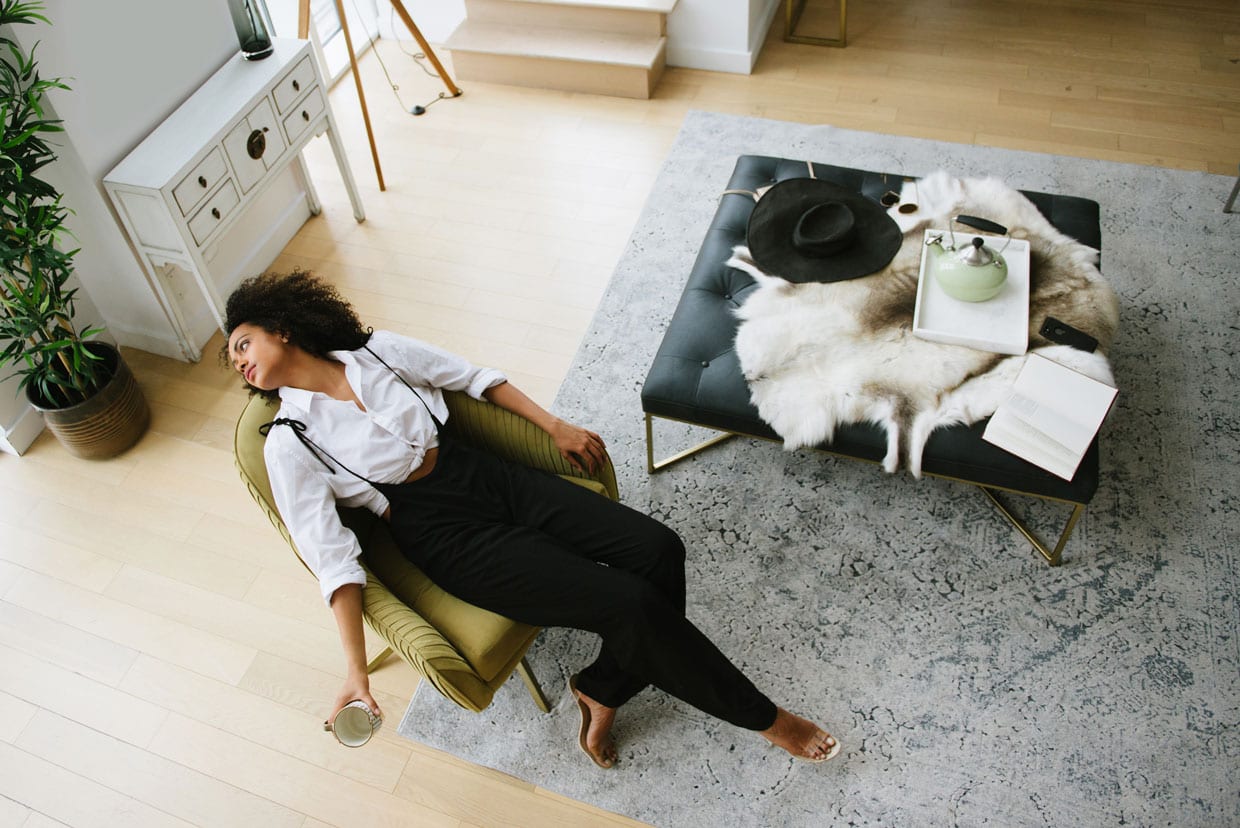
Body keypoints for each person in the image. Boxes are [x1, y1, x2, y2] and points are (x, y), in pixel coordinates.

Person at [223, 270, 839, 768]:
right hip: (446, 536)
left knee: (660, 549)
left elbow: (472, 378)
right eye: (233, 362)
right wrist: (355, 672)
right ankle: (766, 719)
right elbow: (330, 558)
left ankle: (604, 686)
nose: (240, 363)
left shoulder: (374, 351)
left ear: (281, 326)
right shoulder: (288, 442)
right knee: (629, 603)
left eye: (243, 343)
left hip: (491, 477)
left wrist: (555, 426)